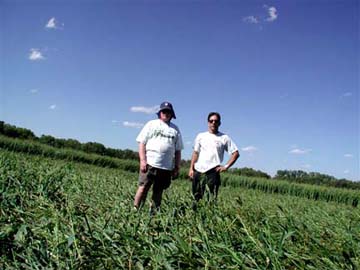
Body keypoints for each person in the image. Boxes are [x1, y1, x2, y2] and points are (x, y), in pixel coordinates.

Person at [134, 101, 183, 213]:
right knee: (143, 188)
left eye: (168, 111)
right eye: (164, 111)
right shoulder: (151, 124)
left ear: (172, 114)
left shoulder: (175, 129)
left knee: (158, 191)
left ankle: (153, 214)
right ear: (160, 113)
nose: (166, 113)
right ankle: (135, 211)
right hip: (150, 163)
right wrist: (142, 160)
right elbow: (142, 142)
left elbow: (178, 150)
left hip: (166, 167)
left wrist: (177, 167)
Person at [188, 112, 239, 205]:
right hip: (198, 171)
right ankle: (194, 217)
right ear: (208, 122)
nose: (213, 123)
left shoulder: (224, 138)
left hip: (213, 172)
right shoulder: (201, 136)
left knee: (210, 201)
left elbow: (235, 153)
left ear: (219, 123)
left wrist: (226, 166)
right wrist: (191, 168)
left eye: (216, 121)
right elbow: (195, 153)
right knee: (195, 199)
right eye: (211, 121)